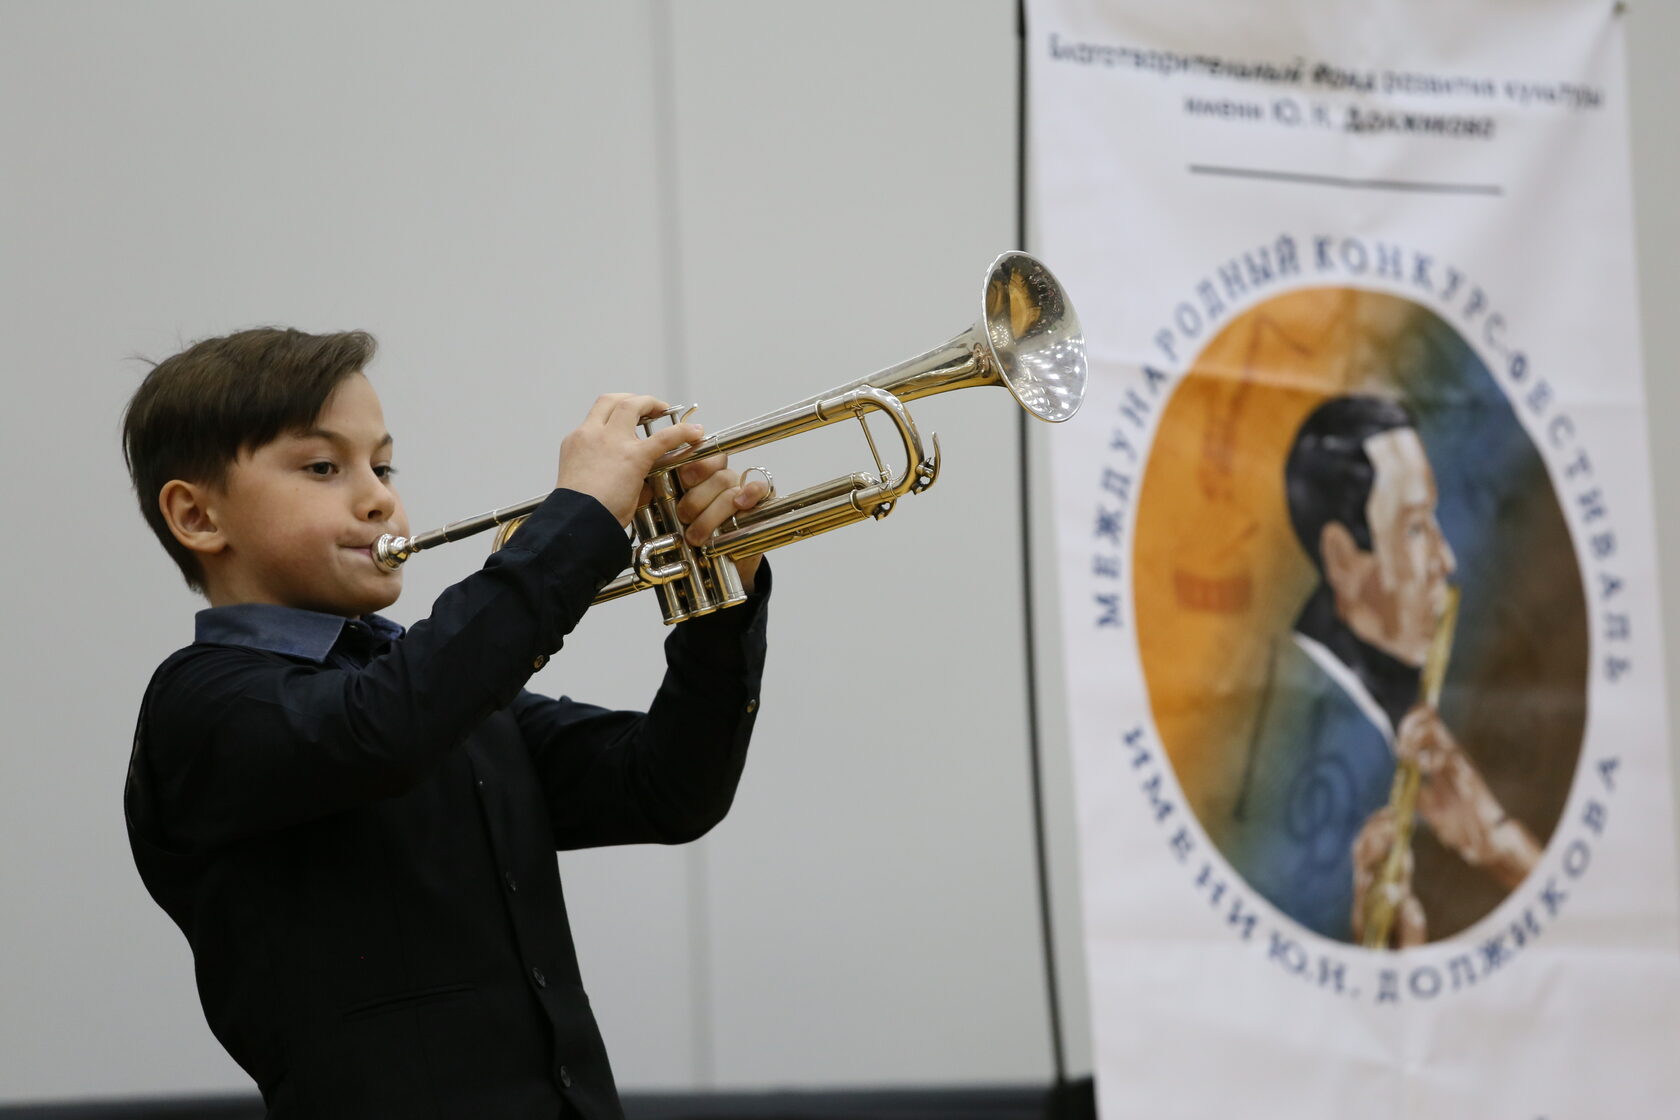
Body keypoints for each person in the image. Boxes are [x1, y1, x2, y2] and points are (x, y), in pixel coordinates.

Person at [120, 327, 772, 1118]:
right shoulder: (205, 706)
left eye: (382, 465)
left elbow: (664, 790)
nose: (378, 496)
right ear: (196, 515)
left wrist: (721, 604)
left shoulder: (428, 696)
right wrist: (577, 521)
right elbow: (388, 726)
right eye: (325, 467)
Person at [1220, 395, 1537, 946]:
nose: (1446, 560)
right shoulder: (1280, 736)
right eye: (1415, 529)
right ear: (1343, 560)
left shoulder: (1407, 711)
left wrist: (1496, 842)